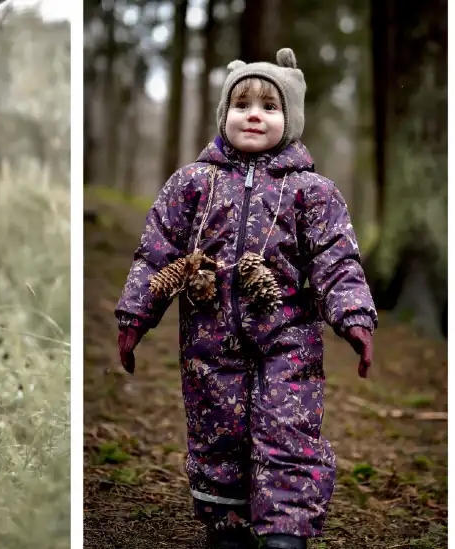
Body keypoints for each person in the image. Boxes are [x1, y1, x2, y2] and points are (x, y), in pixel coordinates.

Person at [114, 49, 375, 549]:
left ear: (291, 119)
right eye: (241, 103)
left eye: (269, 106)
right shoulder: (193, 184)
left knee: (288, 429)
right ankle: (227, 524)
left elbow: (336, 260)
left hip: (288, 342)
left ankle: (285, 530)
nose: (254, 113)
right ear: (224, 114)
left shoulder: (312, 192)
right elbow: (155, 254)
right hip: (209, 344)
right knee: (217, 430)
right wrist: (135, 316)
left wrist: (354, 316)